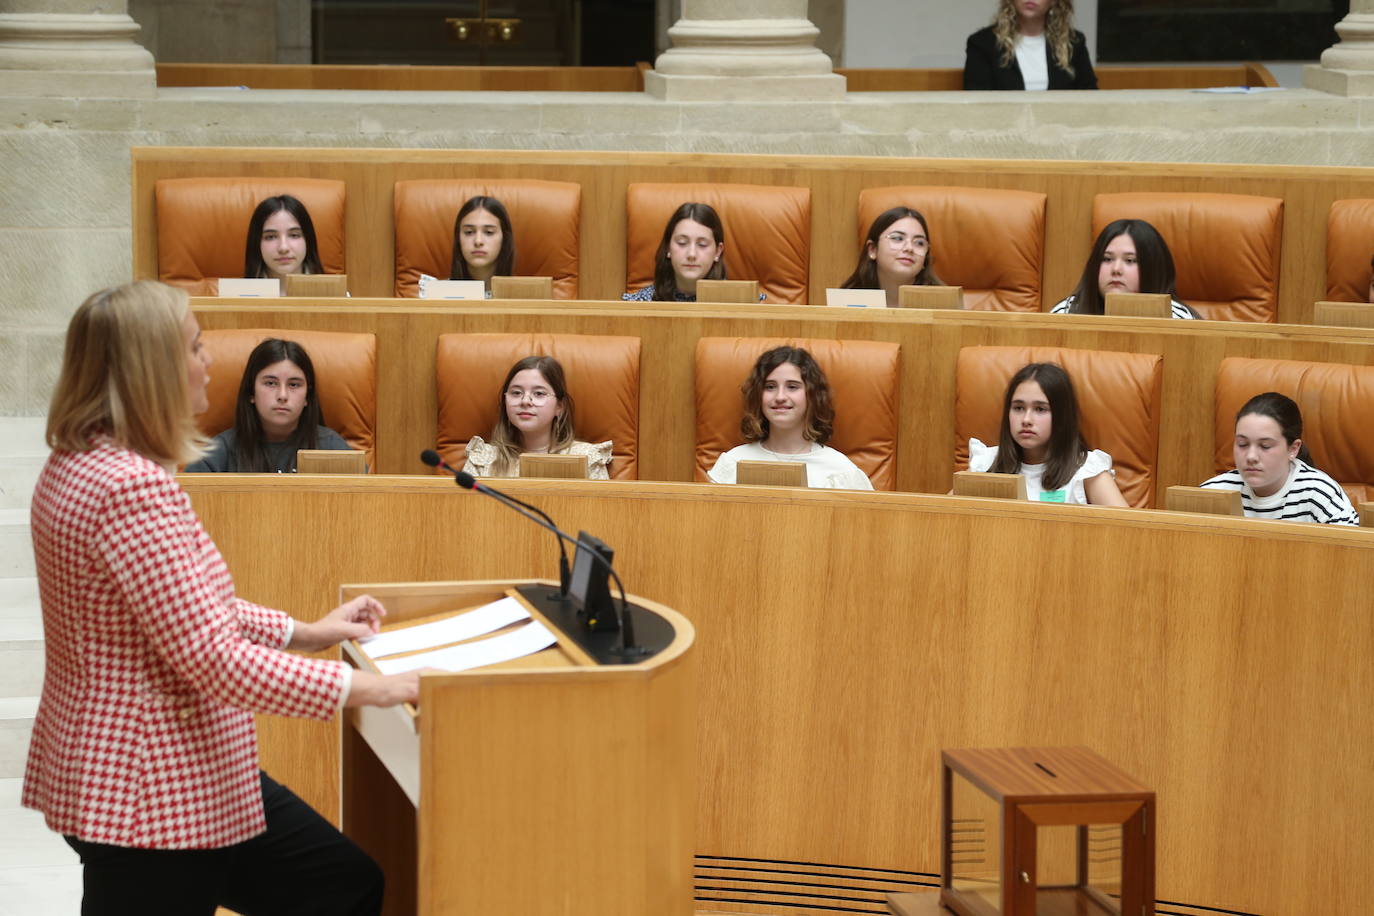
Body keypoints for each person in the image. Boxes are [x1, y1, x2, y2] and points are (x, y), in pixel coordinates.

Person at [25, 280, 421, 914]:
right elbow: (211, 656)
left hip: (146, 769)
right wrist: (372, 690)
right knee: (340, 886)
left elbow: (182, 608)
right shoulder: (130, 488)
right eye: (194, 347)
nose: (208, 361)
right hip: (151, 787)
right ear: (150, 370)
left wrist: (309, 633)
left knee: (343, 883)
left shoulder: (79, 462)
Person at [708, 346, 873, 490]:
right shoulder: (734, 462)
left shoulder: (839, 471)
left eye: (792, 387)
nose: (780, 396)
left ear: (811, 395)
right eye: (770, 387)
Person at [185, 337, 357, 473]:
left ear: (307, 397)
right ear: (251, 392)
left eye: (294, 385)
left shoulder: (331, 447)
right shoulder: (217, 454)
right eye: (271, 383)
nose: (282, 395)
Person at [967, 362, 1129, 506]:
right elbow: (945, 519)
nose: (1026, 419)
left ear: (1062, 416)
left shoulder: (1087, 470)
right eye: (1018, 408)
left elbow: (1128, 532)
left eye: (1040, 409)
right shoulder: (986, 464)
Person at [1199, 392, 1359, 525]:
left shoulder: (1319, 494)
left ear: (1293, 449)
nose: (1251, 456)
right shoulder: (1213, 494)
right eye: (1242, 444)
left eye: (1265, 446)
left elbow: (1353, 554)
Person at [462, 355, 612, 479]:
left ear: (559, 406)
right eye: (516, 393)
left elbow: (601, 513)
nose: (525, 401)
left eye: (539, 393)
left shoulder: (586, 458)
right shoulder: (483, 459)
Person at [1052, 218, 1198, 319]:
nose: (1116, 269)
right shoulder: (1066, 312)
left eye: (1130, 260)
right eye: (1107, 259)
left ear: (1152, 270)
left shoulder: (1177, 319)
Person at [964, 0, 1097, 91]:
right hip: (1004, 129)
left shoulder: (1074, 42)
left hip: (1062, 128)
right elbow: (978, 103)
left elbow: (1090, 96)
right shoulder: (982, 43)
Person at [623, 202, 729, 302]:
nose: (691, 254)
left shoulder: (737, 305)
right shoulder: (635, 305)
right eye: (682, 243)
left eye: (702, 244)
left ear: (717, 252)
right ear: (668, 248)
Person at [840, 206, 945, 307]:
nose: (909, 248)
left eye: (919, 243)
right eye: (898, 238)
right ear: (873, 249)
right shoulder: (846, 301)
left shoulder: (945, 303)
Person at [418, 195, 515, 299]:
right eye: (469, 232)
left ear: (504, 239)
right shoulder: (437, 294)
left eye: (489, 232)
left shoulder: (522, 295)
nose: (478, 241)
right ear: (458, 239)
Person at [243, 194, 324, 281]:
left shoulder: (334, 293)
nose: (283, 248)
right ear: (256, 243)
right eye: (270, 237)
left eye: (294, 235)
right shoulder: (235, 294)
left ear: (308, 240)